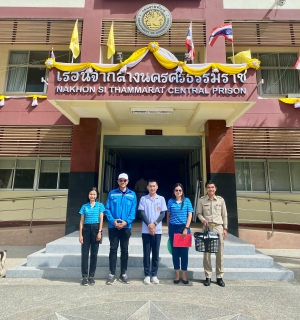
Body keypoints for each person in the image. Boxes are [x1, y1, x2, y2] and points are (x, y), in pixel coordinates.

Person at [105, 173, 137, 285]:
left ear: (127, 182)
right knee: (113, 249)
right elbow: (107, 208)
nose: (122, 182)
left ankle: (123, 273)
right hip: (113, 227)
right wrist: (112, 221)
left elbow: (133, 211)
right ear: (118, 181)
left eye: (124, 180)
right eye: (120, 180)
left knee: (124, 250)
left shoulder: (132, 195)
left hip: (126, 227)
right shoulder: (112, 193)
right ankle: (112, 273)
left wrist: (126, 222)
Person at [197, 181, 228, 287]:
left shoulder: (220, 200)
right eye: (208, 187)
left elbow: (225, 215)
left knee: (219, 253)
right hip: (207, 228)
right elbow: (198, 213)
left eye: (212, 187)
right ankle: (208, 276)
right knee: (207, 253)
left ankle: (219, 277)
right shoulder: (201, 200)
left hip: (218, 227)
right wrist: (203, 219)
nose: (210, 189)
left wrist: (225, 228)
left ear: (215, 189)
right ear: (206, 189)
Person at [138, 179, 167, 285]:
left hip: (157, 230)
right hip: (146, 230)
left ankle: (154, 274)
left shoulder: (161, 199)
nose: (152, 188)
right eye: (150, 186)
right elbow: (141, 213)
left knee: (155, 253)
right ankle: (146, 275)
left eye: (154, 186)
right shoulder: (143, 199)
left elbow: (162, 214)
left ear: (157, 187)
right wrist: (149, 226)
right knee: (146, 253)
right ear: (147, 187)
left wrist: (154, 224)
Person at [167, 183, 193, 285]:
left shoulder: (187, 201)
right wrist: (169, 229)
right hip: (173, 228)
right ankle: (177, 275)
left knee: (184, 253)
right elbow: (168, 216)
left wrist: (186, 228)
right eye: (176, 190)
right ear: (174, 192)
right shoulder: (170, 201)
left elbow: (190, 215)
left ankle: (184, 276)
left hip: (184, 228)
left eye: (180, 190)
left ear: (182, 191)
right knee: (175, 253)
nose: (178, 192)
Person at [79, 187, 104, 286]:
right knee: (85, 254)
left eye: (94, 194)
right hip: (86, 229)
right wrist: (80, 234)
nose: (92, 196)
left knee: (94, 254)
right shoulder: (84, 206)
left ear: (97, 195)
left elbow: (101, 220)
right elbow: (81, 221)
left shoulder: (100, 206)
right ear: (88, 195)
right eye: (90, 194)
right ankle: (84, 276)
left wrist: (99, 232)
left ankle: (91, 276)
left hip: (95, 229)